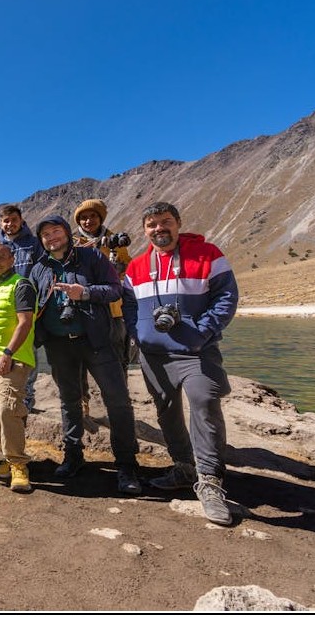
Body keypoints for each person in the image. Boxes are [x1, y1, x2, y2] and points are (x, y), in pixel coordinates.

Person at [122, 201, 238, 525]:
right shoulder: (136, 267)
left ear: (177, 223)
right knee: (166, 409)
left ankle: (211, 482)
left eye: (165, 222)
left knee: (204, 402)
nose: (159, 228)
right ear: (145, 230)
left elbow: (227, 296)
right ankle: (184, 468)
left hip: (196, 351)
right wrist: (137, 332)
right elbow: (129, 303)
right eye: (152, 224)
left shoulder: (207, 255)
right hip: (153, 355)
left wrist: (204, 330)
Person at [29, 216, 142, 495]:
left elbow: (115, 289)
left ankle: (126, 465)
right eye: (45, 234)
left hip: (97, 341)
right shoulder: (39, 269)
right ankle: (73, 456)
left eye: (56, 231)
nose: (52, 237)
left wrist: (86, 293)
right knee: (69, 401)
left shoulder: (91, 257)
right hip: (58, 345)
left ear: (67, 233)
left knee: (117, 400)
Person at [0, 244, 36, 492]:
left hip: (11, 359)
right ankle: (7, 459)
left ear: (12, 259)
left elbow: (25, 322)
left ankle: (19, 465)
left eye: (0, 258)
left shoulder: (21, 284)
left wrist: (8, 352)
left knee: (9, 410)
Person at [73, 199, 136, 414]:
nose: (88, 220)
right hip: (82, 309)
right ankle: (83, 404)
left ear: (100, 218)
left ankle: (120, 402)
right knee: (79, 360)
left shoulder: (115, 241)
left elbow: (128, 270)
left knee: (118, 357)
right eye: (83, 217)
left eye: (93, 216)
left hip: (113, 309)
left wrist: (119, 266)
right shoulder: (72, 242)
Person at [0, 205, 45, 413]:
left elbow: (43, 271)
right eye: (5, 221)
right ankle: (8, 397)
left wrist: (38, 297)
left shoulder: (33, 244)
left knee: (28, 346)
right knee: (5, 346)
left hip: (27, 301)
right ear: (1, 223)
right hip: (3, 302)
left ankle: (27, 399)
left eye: (13, 220)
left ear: (21, 220)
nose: (9, 224)